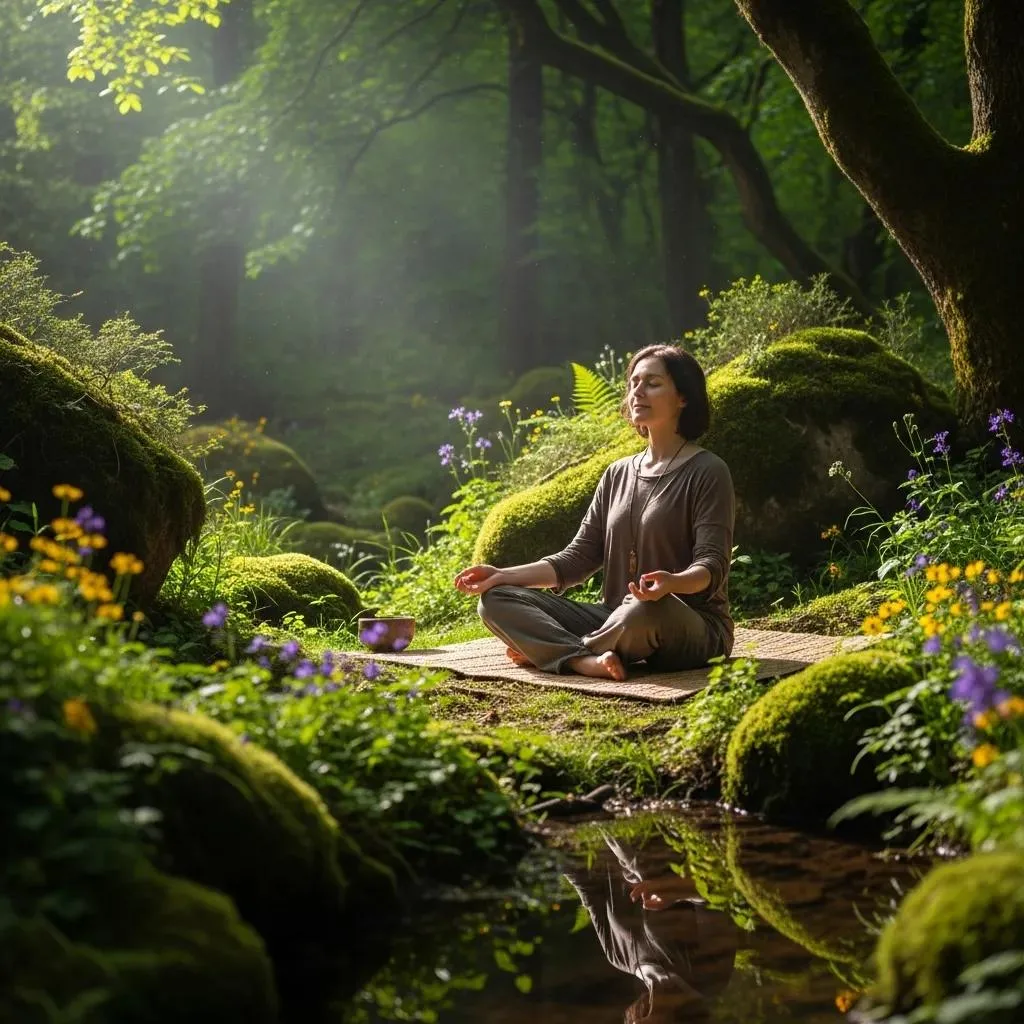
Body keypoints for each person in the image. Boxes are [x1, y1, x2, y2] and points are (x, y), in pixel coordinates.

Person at [453, 344, 734, 681]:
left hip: (689, 624)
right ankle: (582, 660)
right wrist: (502, 574)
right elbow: (577, 558)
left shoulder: (708, 471)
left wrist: (671, 583)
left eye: (652, 383)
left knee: (644, 608)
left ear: (683, 398)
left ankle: (558, 652)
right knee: (495, 599)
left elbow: (711, 566)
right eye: (633, 383)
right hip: (613, 617)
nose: (637, 392)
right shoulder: (617, 473)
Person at [563, 830, 739, 1023]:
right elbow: (721, 899)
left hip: (598, 837)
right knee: (636, 863)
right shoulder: (708, 979)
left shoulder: (618, 957)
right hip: (660, 837)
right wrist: (676, 891)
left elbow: (587, 887)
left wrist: (556, 853)